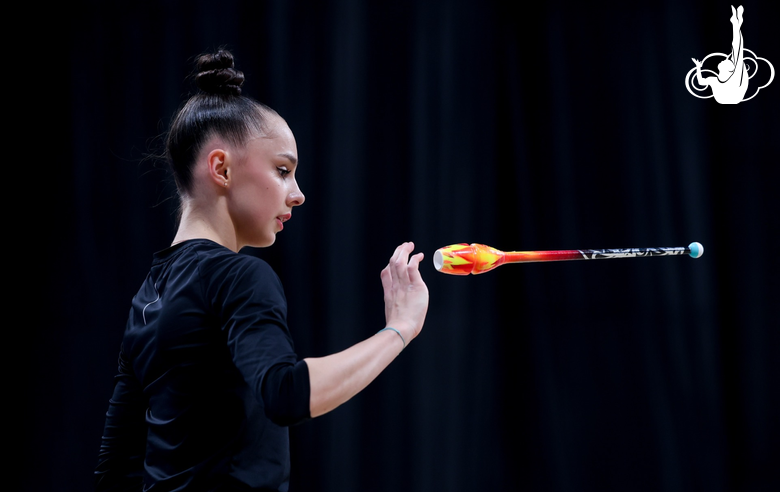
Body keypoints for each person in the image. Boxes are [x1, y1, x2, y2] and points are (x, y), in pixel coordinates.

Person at [94, 49, 429, 491]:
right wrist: (400, 329)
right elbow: (286, 394)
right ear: (221, 168)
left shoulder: (148, 297)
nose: (298, 194)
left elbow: (113, 472)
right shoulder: (238, 276)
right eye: (283, 170)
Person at [691, 5, 748, 104]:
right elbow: (701, 82)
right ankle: (736, 24)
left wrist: (698, 67)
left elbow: (737, 49)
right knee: (736, 51)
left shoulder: (733, 78)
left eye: (727, 61)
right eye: (727, 60)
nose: (725, 59)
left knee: (737, 50)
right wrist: (698, 67)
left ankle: (736, 23)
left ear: (729, 69)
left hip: (733, 96)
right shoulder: (715, 80)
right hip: (729, 97)